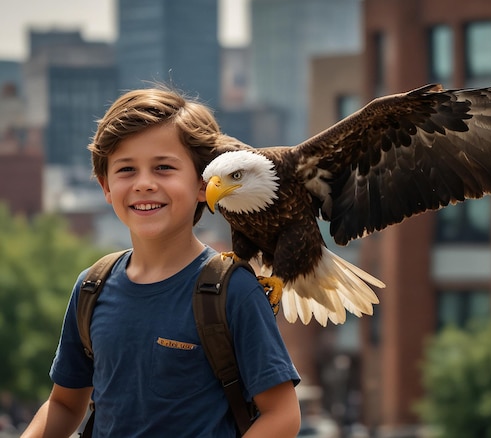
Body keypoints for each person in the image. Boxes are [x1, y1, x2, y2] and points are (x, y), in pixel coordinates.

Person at [21, 88, 301, 437]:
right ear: (105, 186)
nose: (144, 184)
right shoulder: (92, 287)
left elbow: (283, 416)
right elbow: (64, 404)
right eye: (126, 170)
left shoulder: (233, 290)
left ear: (203, 183)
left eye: (164, 168)